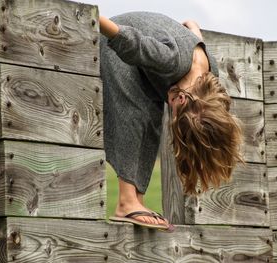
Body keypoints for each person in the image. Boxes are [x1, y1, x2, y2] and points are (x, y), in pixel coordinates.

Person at [99, 12, 245, 231]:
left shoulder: (208, 76)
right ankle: (126, 202)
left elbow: (198, 41)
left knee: (153, 118)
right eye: (175, 114)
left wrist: (193, 27)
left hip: (143, 64)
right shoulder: (170, 61)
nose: (172, 114)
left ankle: (137, 200)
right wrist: (92, 17)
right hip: (115, 45)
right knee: (137, 108)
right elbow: (131, 41)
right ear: (183, 98)